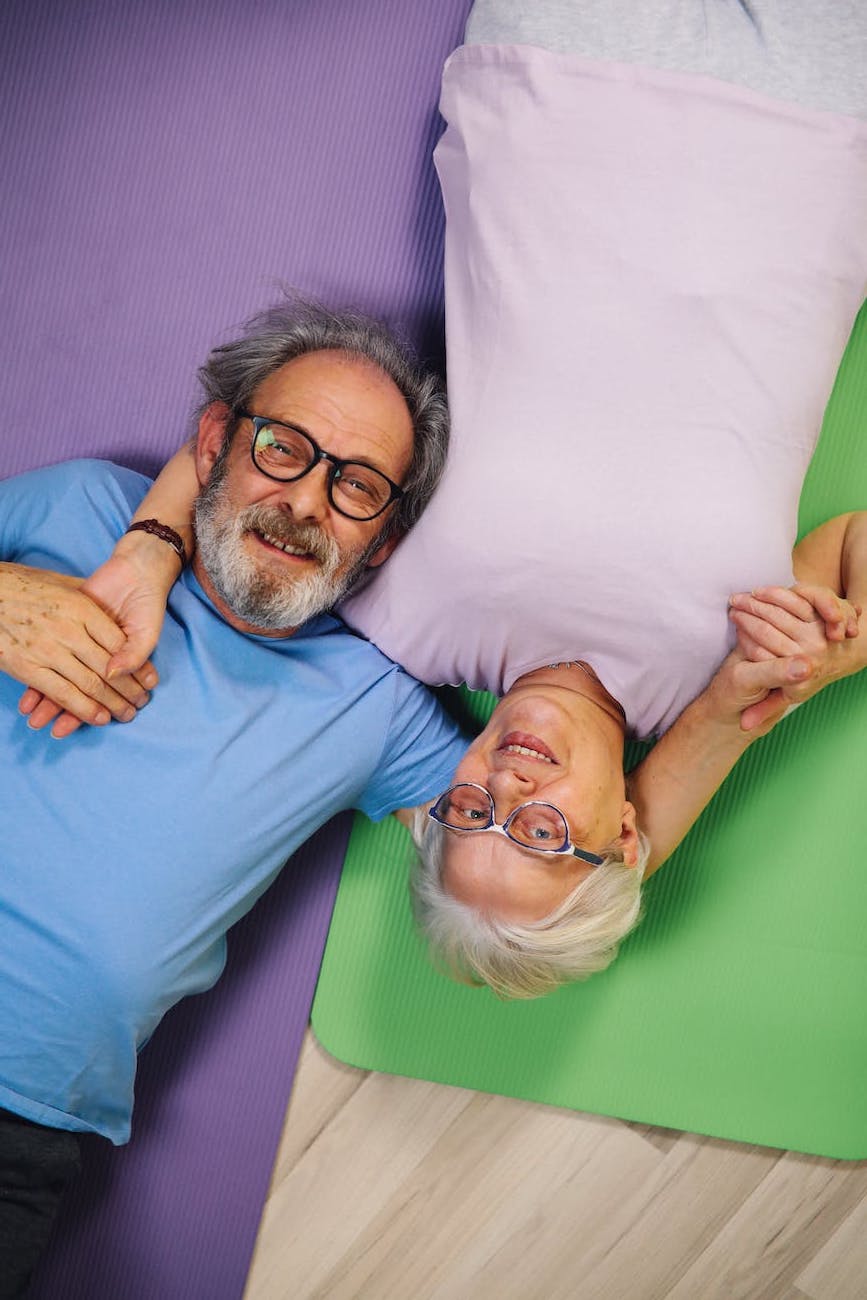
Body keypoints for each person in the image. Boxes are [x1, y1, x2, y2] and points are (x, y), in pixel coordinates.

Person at [6, 3, 867, 995]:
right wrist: (840, 649)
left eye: (472, 814)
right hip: (819, 128)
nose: (509, 785)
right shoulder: (735, 671)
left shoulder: (400, 621)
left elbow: (247, 465)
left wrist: (149, 548)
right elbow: (848, 546)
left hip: (558, 76)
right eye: (543, 831)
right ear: (625, 833)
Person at [0, 298, 476, 1295]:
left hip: (19, 1134)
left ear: (385, 539)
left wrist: (734, 706)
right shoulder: (79, 508)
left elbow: (557, 866)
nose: (307, 501)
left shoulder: (377, 706)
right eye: (285, 448)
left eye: (357, 487)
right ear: (216, 440)